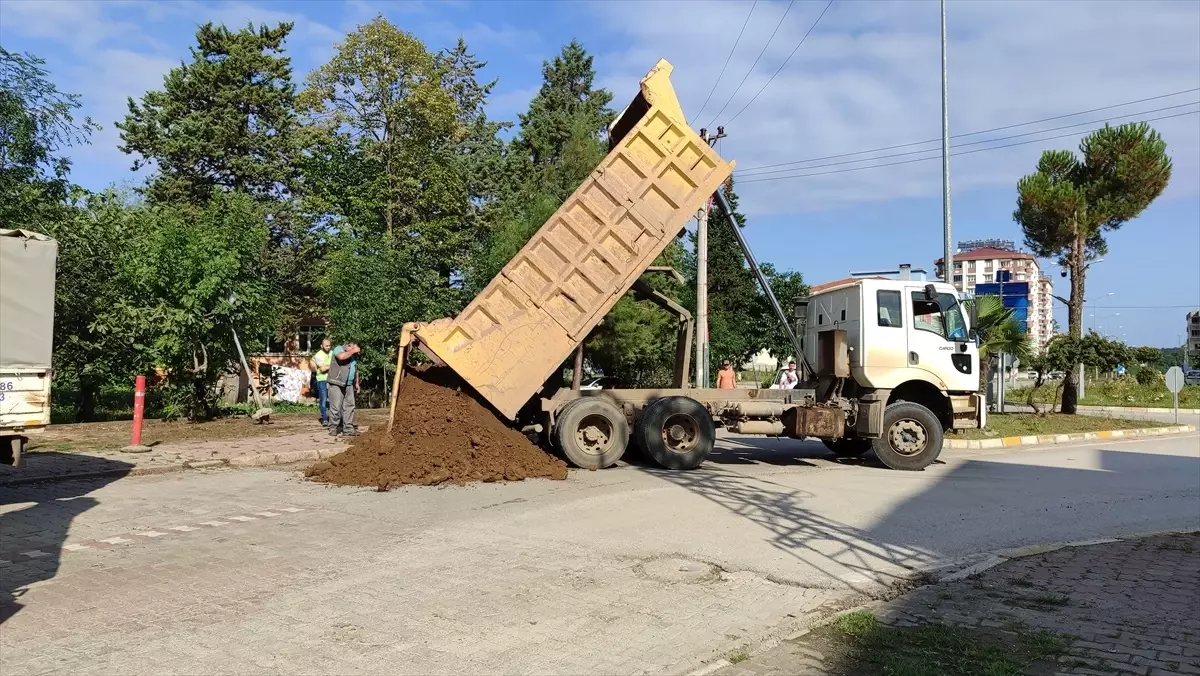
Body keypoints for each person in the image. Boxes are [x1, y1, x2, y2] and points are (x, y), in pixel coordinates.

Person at [327, 341, 361, 437]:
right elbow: (341, 357)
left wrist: (356, 382)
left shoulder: (353, 354)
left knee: (350, 406)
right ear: (348, 345)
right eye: (353, 347)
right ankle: (333, 428)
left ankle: (348, 429)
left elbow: (355, 368)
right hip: (336, 383)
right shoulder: (338, 349)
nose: (355, 350)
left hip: (349, 385)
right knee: (336, 407)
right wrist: (353, 351)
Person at [312, 338, 332, 426]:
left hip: (332, 379)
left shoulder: (333, 353)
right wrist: (333, 365)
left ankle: (334, 419)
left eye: (329, 345)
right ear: (321, 346)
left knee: (334, 400)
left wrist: (327, 366)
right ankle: (324, 419)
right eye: (326, 346)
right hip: (322, 379)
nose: (328, 347)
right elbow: (323, 369)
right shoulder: (318, 355)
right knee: (323, 400)